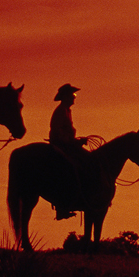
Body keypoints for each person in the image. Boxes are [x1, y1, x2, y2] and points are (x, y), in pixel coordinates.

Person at [49, 83, 89, 219]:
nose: (74, 97)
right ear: (66, 96)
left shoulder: (66, 110)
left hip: (67, 145)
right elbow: (57, 132)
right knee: (70, 168)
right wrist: (74, 142)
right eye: (73, 95)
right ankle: (62, 205)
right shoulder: (61, 111)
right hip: (61, 146)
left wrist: (76, 141)